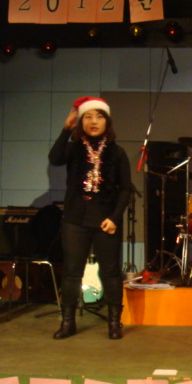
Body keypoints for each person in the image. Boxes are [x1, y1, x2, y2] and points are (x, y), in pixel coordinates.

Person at [49, 96, 132, 340]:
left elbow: (125, 189)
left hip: (106, 220)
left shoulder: (117, 152)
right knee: (72, 272)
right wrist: (66, 129)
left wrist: (115, 218)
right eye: (88, 117)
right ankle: (68, 322)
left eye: (99, 117)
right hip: (75, 219)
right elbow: (55, 158)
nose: (93, 121)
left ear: (107, 121)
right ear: (81, 121)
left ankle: (114, 323)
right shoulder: (73, 148)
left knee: (111, 272)